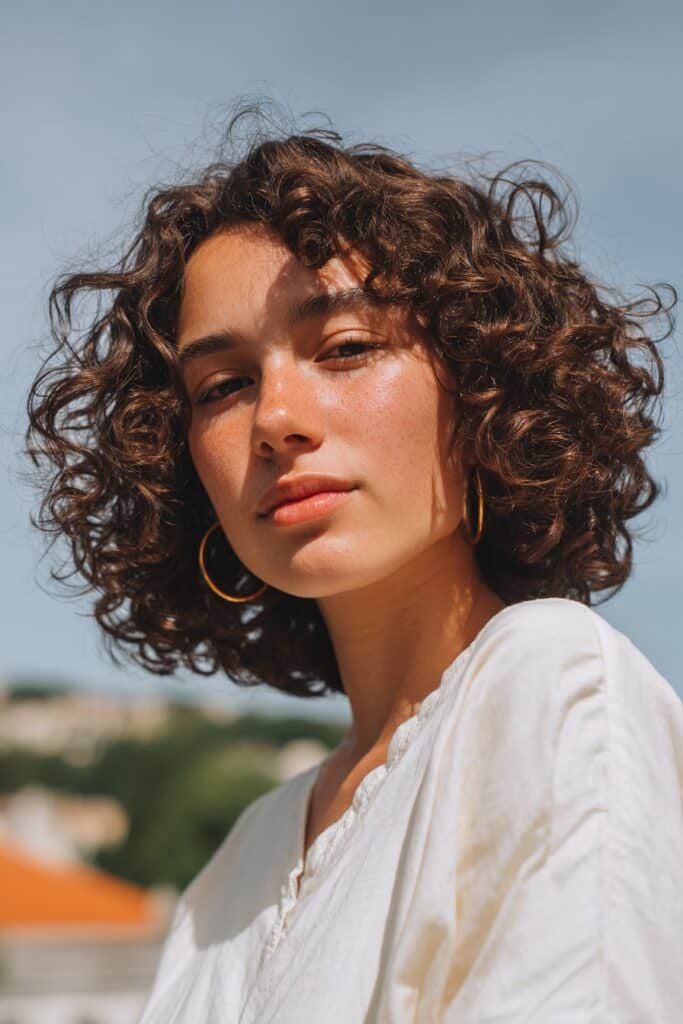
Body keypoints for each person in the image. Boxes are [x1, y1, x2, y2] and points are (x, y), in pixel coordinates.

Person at [25, 107, 683, 1022]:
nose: (274, 418)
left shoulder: (551, 682)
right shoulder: (232, 874)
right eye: (222, 386)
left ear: (484, 387)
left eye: (345, 348)